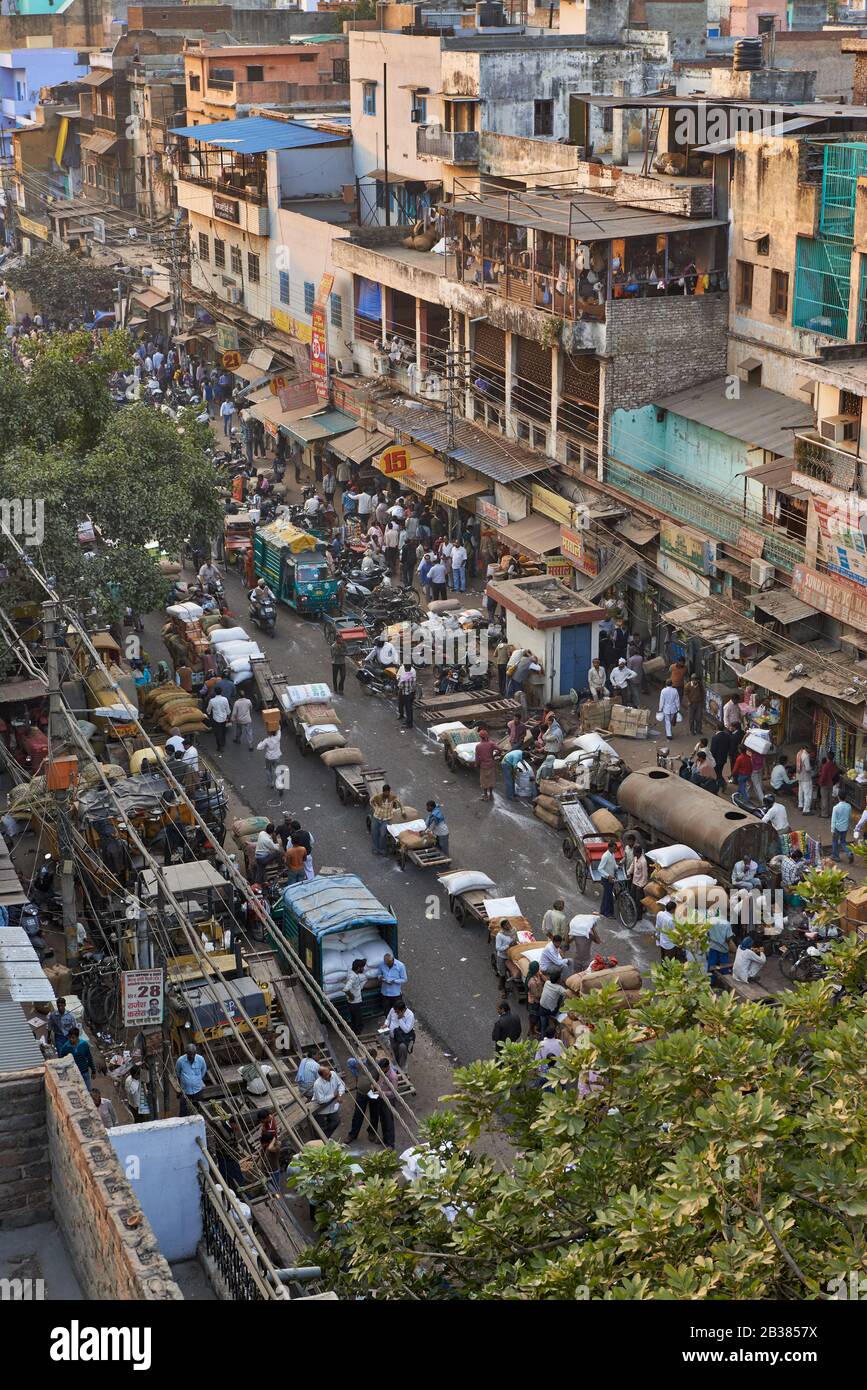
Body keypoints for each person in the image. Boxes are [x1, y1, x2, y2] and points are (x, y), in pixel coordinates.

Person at [312, 1064, 346, 1139]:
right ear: (322, 1076)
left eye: (329, 1072)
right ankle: (320, 1139)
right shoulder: (317, 1084)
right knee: (321, 1126)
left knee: (336, 1121)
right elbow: (321, 1100)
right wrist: (333, 1095)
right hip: (321, 1109)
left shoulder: (333, 1074)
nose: (330, 1075)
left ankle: (326, 1137)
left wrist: (339, 1095)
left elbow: (341, 1084)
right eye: (327, 1074)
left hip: (332, 1106)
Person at [175, 1042, 207, 1115]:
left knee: (199, 1110)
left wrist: (197, 1080)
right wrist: (185, 1081)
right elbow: (177, 1073)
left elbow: (203, 1070)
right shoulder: (180, 1061)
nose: (191, 1056)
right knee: (183, 1111)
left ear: (195, 1053)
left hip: (197, 1089)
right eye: (189, 1054)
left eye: (193, 1054)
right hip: (185, 1091)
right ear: (186, 1053)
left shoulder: (200, 1059)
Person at [370, 784, 401, 855]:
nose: (387, 793)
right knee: (374, 833)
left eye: (388, 792)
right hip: (376, 817)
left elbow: (399, 802)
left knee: (383, 834)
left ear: (389, 791)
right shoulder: (377, 797)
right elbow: (371, 801)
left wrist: (401, 810)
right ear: (383, 791)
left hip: (386, 819)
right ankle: (375, 848)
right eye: (385, 792)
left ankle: (382, 849)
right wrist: (375, 808)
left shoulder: (392, 797)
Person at [385, 1000, 415, 1069]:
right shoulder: (393, 1009)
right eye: (395, 1011)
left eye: (397, 1012)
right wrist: (385, 1024)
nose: (395, 1012)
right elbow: (388, 1018)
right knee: (394, 1051)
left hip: (403, 1039)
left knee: (402, 1049)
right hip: (393, 1036)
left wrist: (400, 1019)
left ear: (403, 1010)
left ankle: (402, 1068)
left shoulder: (410, 1015)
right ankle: (396, 1065)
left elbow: (406, 1030)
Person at [343, 958, 368, 1034]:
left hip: (351, 1003)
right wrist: (351, 996)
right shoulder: (353, 977)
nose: (363, 969)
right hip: (355, 1003)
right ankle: (357, 1035)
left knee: (354, 1019)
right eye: (362, 967)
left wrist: (363, 961)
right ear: (358, 968)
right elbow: (346, 989)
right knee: (358, 1020)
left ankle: (354, 1032)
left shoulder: (351, 972)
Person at [256, 728, 283, 795]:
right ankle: (279, 786)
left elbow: (259, 747)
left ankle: (271, 783)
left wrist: (260, 743)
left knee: (268, 770)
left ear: (269, 733)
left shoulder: (267, 740)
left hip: (269, 758)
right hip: (277, 757)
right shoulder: (278, 737)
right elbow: (279, 729)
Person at [493, 919, 518, 991]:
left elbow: (515, 938)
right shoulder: (500, 935)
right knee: (502, 974)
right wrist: (508, 946)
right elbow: (498, 948)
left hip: (512, 954)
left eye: (508, 923)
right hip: (503, 956)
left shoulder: (513, 930)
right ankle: (502, 988)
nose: (508, 925)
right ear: (502, 927)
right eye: (505, 925)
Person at [474, 728, 497, 801]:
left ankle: (485, 796)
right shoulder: (491, 743)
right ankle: (491, 795)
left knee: (484, 781)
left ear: (480, 737)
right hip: (491, 764)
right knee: (491, 780)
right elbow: (500, 750)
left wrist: (476, 764)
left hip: (483, 766)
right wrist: (494, 756)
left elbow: (477, 757)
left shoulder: (478, 746)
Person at [598, 839, 619, 918]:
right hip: (606, 879)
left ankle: (603, 911)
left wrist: (618, 867)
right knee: (609, 897)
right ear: (610, 848)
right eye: (614, 848)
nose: (615, 850)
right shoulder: (605, 856)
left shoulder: (612, 854)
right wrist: (608, 876)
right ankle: (608, 913)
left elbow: (613, 865)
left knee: (606, 895)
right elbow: (600, 868)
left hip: (611, 878)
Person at [831, 796, 855, 863]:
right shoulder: (849, 806)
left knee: (835, 841)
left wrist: (832, 830)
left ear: (838, 797)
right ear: (846, 797)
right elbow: (849, 816)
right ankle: (849, 853)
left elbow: (833, 820)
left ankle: (835, 856)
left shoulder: (835, 807)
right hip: (845, 827)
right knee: (843, 841)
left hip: (837, 827)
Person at [525, 960, 544, 1038]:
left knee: (534, 1016)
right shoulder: (532, 982)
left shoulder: (534, 974)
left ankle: (531, 1029)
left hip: (536, 1000)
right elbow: (536, 994)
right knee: (533, 1017)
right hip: (534, 1001)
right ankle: (531, 1031)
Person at [629, 844, 649, 914]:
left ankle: (639, 915)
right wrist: (628, 873)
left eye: (634, 851)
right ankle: (633, 911)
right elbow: (632, 865)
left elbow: (645, 875)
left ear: (637, 853)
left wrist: (640, 886)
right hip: (634, 881)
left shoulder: (643, 861)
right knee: (632, 896)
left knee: (638, 900)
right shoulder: (635, 858)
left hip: (639, 884)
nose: (633, 853)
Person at [796, 746, 814, 815]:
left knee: (800, 791)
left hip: (799, 775)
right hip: (806, 777)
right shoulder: (805, 756)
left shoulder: (799, 753)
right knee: (807, 793)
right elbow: (807, 768)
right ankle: (806, 810)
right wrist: (812, 769)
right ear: (807, 748)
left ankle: (800, 805)